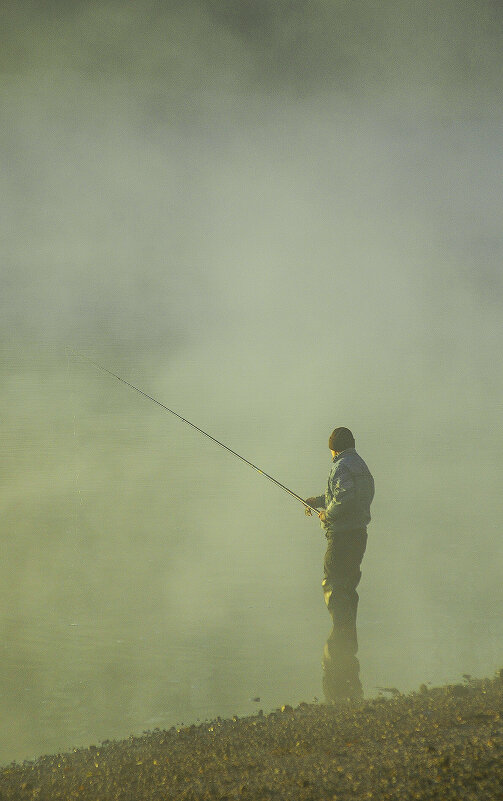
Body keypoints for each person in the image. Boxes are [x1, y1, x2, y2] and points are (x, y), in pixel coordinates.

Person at [306, 427, 374, 703]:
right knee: (349, 586)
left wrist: (326, 516)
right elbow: (351, 495)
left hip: (342, 537)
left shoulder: (340, 466)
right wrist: (319, 501)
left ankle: (339, 642)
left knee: (333, 584)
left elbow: (343, 498)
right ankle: (348, 643)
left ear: (333, 448)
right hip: (358, 535)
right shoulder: (360, 464)